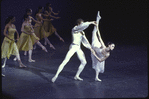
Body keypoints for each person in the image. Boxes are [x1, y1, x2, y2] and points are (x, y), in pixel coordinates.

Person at [51, 18, 98, 83]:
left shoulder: (82, 32)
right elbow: (82, 26)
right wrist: (91, 22)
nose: (82, 25)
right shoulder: (74, 29)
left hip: (78, 48)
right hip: (73, 47)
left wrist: (90, 48)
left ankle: (76, 76)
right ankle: (56, 75)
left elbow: (85, 41)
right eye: (81, 24)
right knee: (65, 61)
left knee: (84, 62)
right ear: (78, 24)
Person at [91, 11, 115, 81]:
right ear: (109, 45)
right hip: (95, 44)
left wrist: (94, 54)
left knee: (97, 66)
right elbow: (100, 37)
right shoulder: (104, 46)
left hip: (96, 53)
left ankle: (96, 77)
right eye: (112, 46)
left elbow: (101, 60)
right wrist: (98, 28)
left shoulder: (107, 54)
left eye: (114, 47)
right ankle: (98, 19)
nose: (113, 47)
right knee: (94, 32)